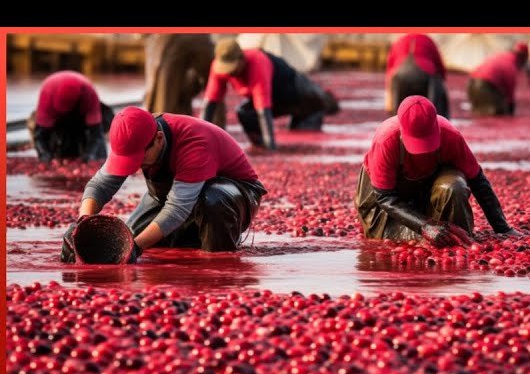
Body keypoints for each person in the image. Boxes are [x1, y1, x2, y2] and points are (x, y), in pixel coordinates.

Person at [61, 106, 267, 263]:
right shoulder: (133, 136)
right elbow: (100, 185)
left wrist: (137, 248)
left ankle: (219, 254)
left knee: (212, 199)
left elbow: (177, 208)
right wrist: (83, 223)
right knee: (125, 242)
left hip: (235, 194)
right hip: (168, 195)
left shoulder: (194, 142)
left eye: (139, 159)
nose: (135, 166)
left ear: (159, 139)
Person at [355, 96, 519, 247]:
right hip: (385, 203)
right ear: (402, 133)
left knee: (454, 191)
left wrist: (502, 229)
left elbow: (478, 181)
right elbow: (385, 197)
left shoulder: (450, 136)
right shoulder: (386, 141)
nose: (423, 151)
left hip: (426, 190)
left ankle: (461, 240)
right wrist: (425, 226)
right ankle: (439, 232)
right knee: (397, 239)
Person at [201, 38, 339, 150]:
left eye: (233, 68)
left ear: (242, 59)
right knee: (244, 112)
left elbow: (263, 109)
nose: (231, 73)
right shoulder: (218, 68)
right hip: (278, 99)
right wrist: (201, 139)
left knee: (309, 122)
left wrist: (271, 148)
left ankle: (324, 105)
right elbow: (210, 103)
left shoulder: (257, 62)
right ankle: (259, 143)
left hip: (300, 94)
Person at [29, 70, 113, 162]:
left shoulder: (88, 93)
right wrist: (44, 153)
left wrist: (89, 155)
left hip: (82, 115)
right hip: (56, 119)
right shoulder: (47, 93)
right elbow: (40, 135)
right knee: (58, 148)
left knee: (98, 154)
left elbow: (96, 133)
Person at [143, 34, 215, 115]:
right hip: (200, 35)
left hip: (167, 38)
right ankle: (216, 124)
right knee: (214, 83)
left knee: (163, 95)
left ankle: (164, 122)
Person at [385, 33, 450, 118]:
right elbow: (439, 66)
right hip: (425, 74)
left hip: (400, 76)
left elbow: (390, 68)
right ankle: (436, 118)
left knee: (397, 112)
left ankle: (396, 121)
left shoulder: (399, 40)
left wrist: (389, 97)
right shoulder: (428, 40)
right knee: (438, 95)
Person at [467, 42, 529, 116]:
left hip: (471, 83)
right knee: (495, 112)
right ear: (523, 56)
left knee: (480, 112)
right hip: (484, 86)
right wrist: (510, 109)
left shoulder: (501, 56)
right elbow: (510, 91)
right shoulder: (511, 65)